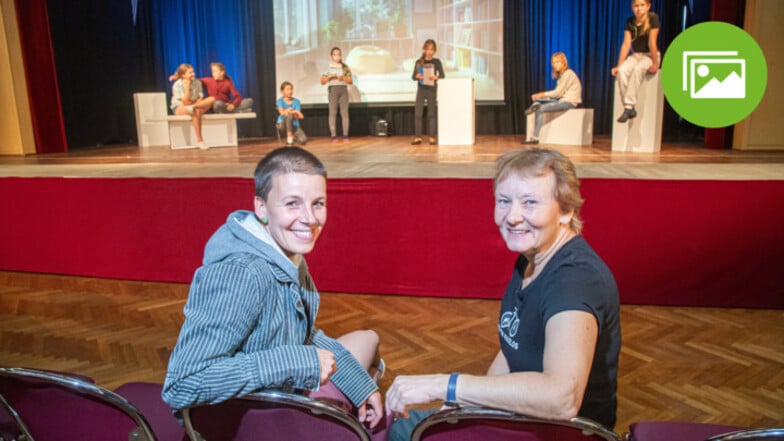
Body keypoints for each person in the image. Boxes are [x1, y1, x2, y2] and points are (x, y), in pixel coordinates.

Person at [386, 148, 621, 439]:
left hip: (561, 433)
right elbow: (515, 348)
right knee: (410, 427)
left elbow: (562, 399)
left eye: (530, 202)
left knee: (403, 432)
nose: (512, 216)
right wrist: (464, 406)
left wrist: (445, 385)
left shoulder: (575, 279)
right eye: (504, 201)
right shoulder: (531, 258)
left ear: (566, 211)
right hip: (528, 420)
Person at [162, 146, 389, 438]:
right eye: (293, 204)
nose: (309, 218)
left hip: (278, 396)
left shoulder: (287, 253)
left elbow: (303, 334)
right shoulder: (242, 274)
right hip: (243, 423)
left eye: (318, 203)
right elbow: (183, 384)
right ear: (261, 207)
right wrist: (294, 361)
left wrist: (360, 386)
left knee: (369, 339)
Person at [611, 0, 660, 123]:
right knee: (622, 71)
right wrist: (619, 64)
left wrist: (655, 62)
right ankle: (630, 108)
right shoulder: (630, 21)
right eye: (636, 6)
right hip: (636, 55)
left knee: (638, 69)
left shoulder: (653, 19)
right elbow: (626, 44)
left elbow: (652, 42)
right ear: (632, 7)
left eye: (642, 5)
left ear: (648, 6)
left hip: (649, 55)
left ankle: (628, 106)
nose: (639, 9)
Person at [522, 52, 582, 145]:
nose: (555, 65)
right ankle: (536, 104)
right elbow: (558, 94)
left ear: (563, 62)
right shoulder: (562, 75)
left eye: (557, 62)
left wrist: (542, 94)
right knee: (539, 101)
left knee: (541, 108)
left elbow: (557, 93)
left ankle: (535, 137)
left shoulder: (568, 74)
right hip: (562, 99)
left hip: (569, 101)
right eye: (553, 62)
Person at [169, 64, 216, 150]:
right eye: (190, 73)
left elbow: (200, 98)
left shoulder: (197, 82)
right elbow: (185, 102)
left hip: (195, 105)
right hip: (180, 107)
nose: (193, 74)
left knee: (211, 99)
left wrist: (194, 105)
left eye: (193, 72)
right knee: (196, 111)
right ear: (183, 75)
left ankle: (194, 107)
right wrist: (186, 87)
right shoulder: (177, 85)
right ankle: (200, 141)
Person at [411, 39, 445, 146]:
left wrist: (436, 77)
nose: (430, 52)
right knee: (418, 113)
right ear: (424, 49)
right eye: (428, 49)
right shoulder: (419, 62)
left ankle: (432, 137)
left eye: (432, 49)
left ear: (434, 50)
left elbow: (443, 75)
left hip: (431, 89)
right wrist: (417, 76)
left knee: (431, 113)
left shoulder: (436, 62)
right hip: (421, 89)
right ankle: (418, 137)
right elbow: (413, 77)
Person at [321, 47, 353, 142]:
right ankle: (333, 135)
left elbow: (350, 81)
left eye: (339, 54)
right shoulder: (329, 68)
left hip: (343, 90)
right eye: (335, 55)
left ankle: (345, 135)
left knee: (344, 113)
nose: (337, 56)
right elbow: (322, 81)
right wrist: (330, 76)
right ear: (331, 56)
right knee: (332, 113)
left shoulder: (345, 67)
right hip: (333, 90)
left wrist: (342, 78)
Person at [277, 81, 307, 145]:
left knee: (303, 140)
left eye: (291, 89)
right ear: (282, 91)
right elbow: (282, 112)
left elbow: (298, 116)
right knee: (289, 115)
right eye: (287, 89)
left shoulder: (297, 101)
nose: (290, 91)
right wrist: (288, 111)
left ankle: (293, 138)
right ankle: (289, 138)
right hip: (283, 125)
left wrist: (295, 113)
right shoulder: (279, 101)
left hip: (294, 125)